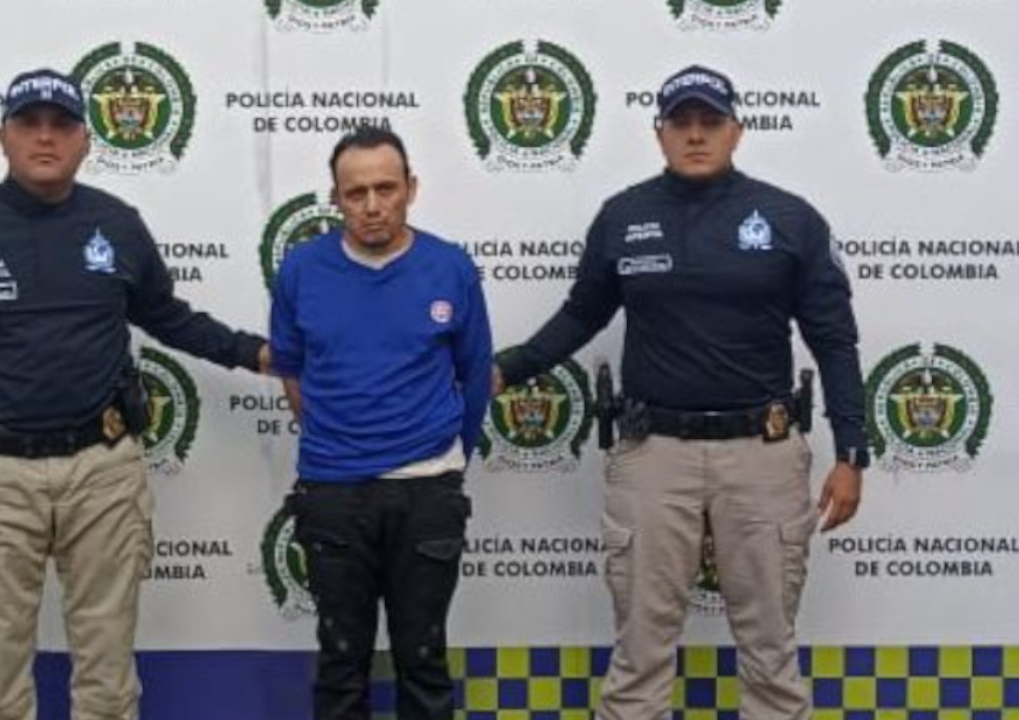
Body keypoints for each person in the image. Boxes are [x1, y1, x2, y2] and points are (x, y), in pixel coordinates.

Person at [0, 68, 268, 720]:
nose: (45, 137)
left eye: (61, 125)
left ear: (85, 140)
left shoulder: (117, 224)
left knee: (108, 670)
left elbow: (165, 315)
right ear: (3, 137)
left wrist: (256, 353)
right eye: (29, 124)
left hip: (103, 470)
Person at [494, 65, 867, 720]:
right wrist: (506, 369)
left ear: (737, 131)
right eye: (682, 123)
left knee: (771, 655)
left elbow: (834, 340)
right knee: (639, 655)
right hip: (653, 455)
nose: (696, 135)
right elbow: (582, 315)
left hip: (762, 455)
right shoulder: (624, 216)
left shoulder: (790, 219)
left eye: (711, 122)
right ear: (659, 133)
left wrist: (852, 451)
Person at [270, 126, 493, 720]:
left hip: (428, 491)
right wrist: (339, 447)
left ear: (411, 189)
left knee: (423, 660)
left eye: (386, 189)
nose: (372, 205)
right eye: (356, 192)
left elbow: (475, 377)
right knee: (341, 666)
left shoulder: (450, 267)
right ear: (335, 199)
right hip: (333, 492)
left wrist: (442, 464)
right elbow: (293, 372)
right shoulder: (301, 270)